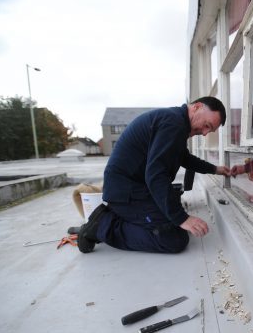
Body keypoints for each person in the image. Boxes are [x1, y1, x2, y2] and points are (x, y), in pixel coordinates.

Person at [78, 97, 231, 254]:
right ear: (197, 107)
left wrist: (215, 169)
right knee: (173, 239)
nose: (205, 133)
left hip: (131, 189)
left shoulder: (175, 121)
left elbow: (185, 158)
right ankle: (102, 226)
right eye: (207, 125)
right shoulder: (174, 124)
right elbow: (156, 175)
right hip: (126, 194)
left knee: (173, 221)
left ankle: (116, 216)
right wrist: (182, 218)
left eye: (209, 131)